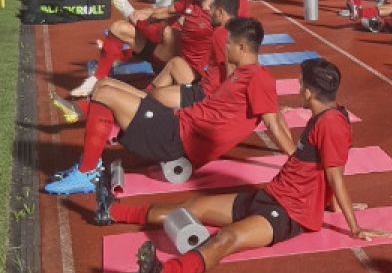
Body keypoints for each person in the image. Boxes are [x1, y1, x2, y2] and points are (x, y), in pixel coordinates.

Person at [96, 58, 391, 273]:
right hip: (271, 194)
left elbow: (335, 174)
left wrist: (353, 225)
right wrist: (332, 205)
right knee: (192, 207)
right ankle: (113, 211)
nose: (299, 87)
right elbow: (322, 169)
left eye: (301, 83)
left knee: (226, 239)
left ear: (310, 92)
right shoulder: (324, 115)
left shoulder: (331, 125)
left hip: (288, 214)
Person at [44, 17, 290, 195]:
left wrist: (298, 160)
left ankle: (87, 172)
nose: (224, 48)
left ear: (242, 48)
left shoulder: (258, 77)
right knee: (105, 85)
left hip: (178, 140)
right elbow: (275, 114)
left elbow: (273, 123)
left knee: (106, 95)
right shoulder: (242, 74)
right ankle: (90, 163)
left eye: (228, 45)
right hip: (177, 122)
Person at [67, 0, 225, 98]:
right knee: (118, 28)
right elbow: (167, 11)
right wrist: (145, 12)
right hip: (166, 56)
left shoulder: (218, 16)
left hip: (187, 71)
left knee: (170, 36)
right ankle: (97, 78)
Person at [145, 0, 239, 110]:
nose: (209, 12)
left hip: (208, 93)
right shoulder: (236, 31)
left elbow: (230, 70)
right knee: (175, 63)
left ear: (220, 12)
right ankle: (144, 98)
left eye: (212, 9)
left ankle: (141, 102)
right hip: (207, 84)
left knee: (155, 96)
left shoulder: (220, 35)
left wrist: (224, 104)